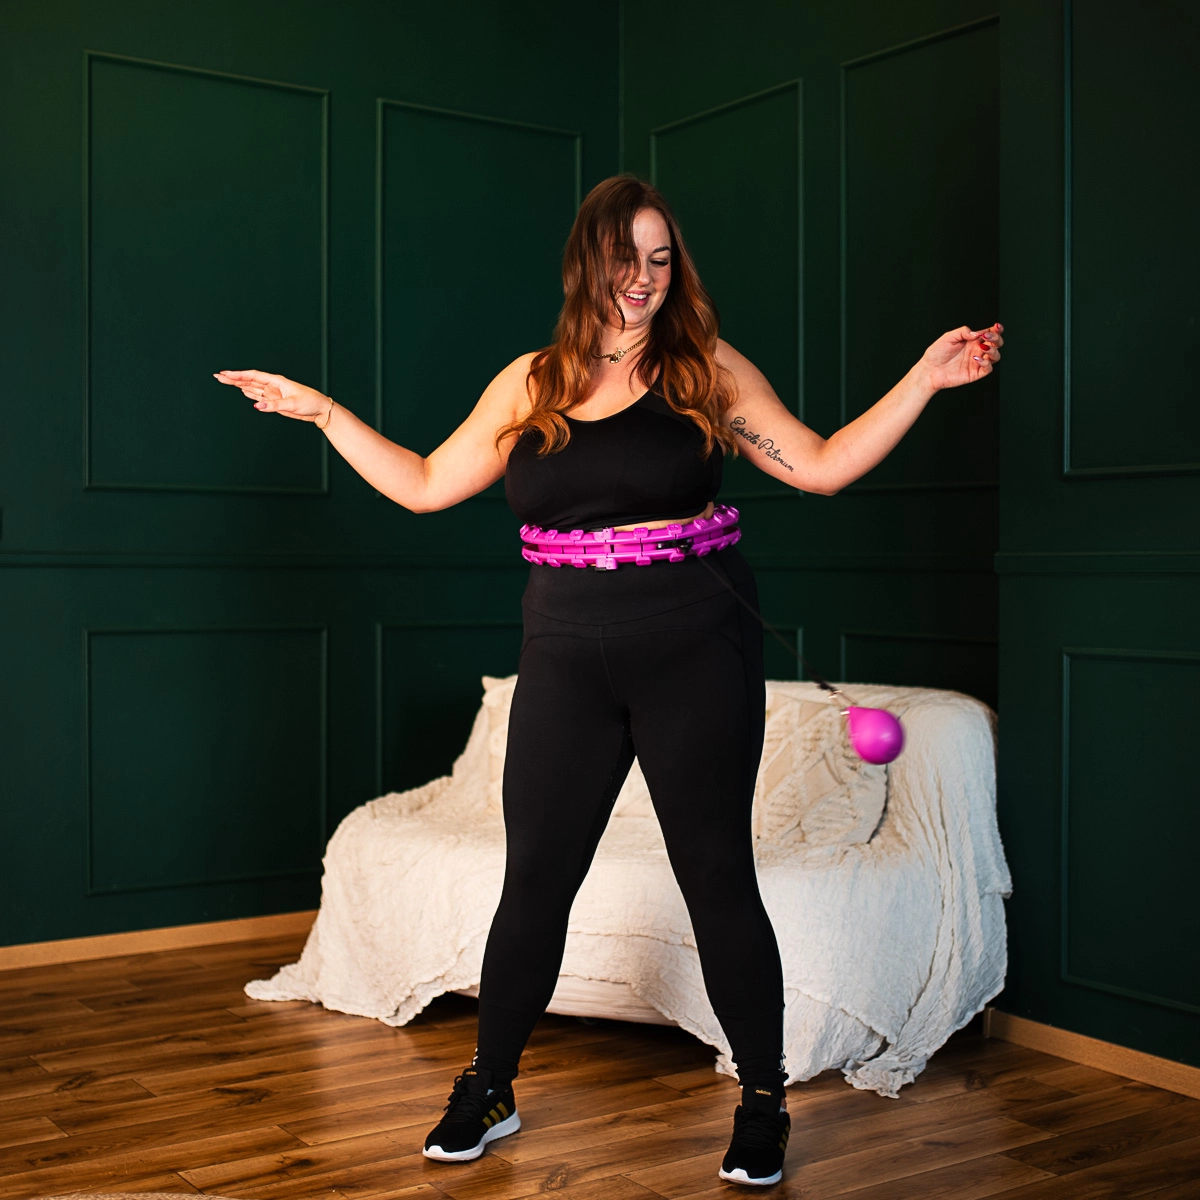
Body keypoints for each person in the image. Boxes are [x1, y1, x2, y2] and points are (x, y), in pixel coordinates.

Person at [215, 174, 1002, 1188]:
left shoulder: (705, 369)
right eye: (627, 257)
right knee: (536, 878)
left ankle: (762, 1099)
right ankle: (489, 1085)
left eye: (661, 259)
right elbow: (424, 483)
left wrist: (925, 379)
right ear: (588, 261)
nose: (643, 278)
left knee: (716, 875)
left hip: (695, 647)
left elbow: (820, 464)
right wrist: (324, 413)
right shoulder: (532, 382)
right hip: (565, 654)